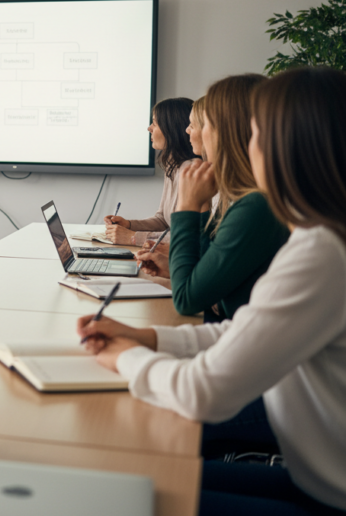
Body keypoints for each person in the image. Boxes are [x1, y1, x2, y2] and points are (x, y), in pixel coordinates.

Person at [77, 66, 346, 515]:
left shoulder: (321, 251)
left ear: (286, 146)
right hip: (313, 481)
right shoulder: (320, 235)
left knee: (116, 494)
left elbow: (202, 391)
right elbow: (246, 328)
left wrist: (122, 357)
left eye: (256, 133)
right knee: (127, 480)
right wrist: (151, 338)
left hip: (325, 498)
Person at [137, 75, 289, 319]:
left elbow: (187, 301)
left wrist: (188, 206)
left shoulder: (255, 206)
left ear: (227, 131)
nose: (188, 130)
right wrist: (175, 268)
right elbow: (208, 278)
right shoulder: (238, 197)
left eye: (201, 123)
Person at [104, 98, 198, 245]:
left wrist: (133, 238)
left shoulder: (194, 172)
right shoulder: (173, 166)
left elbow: (189, 238)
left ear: (172, 128)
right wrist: (129, 225)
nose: (149, 128)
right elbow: (163, 220)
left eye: (155, 123)